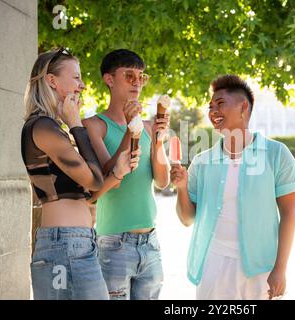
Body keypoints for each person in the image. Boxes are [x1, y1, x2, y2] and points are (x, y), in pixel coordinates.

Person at [171, 75, 295, 300]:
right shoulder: (202, 161)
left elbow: (289, 215)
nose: (213, 111)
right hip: (214, 264)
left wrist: (280, 269)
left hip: (261, 268)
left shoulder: (276, 154)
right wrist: (182, 188)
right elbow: (187, 219)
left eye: (220, 103)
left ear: (243, 107)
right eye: (210, 106)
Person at [22, 48, 136, 300]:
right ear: (52, 80)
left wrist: (116, 172)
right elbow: (93, 179)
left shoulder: (53, 128)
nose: (82, 85)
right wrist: (75, 124)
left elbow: (92, 188)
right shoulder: (42, 127)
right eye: (76, 78)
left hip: (77, 243)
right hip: (64, 245)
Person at [83, 49, 170, 300]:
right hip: (114, 243)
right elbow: (105, 178)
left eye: (141, 77)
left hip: (151, 242)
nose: (137, 83)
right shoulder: (94, 125)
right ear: (109, 80)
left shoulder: (149, 126)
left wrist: (157, 141)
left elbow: (163, 182)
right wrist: (130, 132)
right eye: (129, 76)